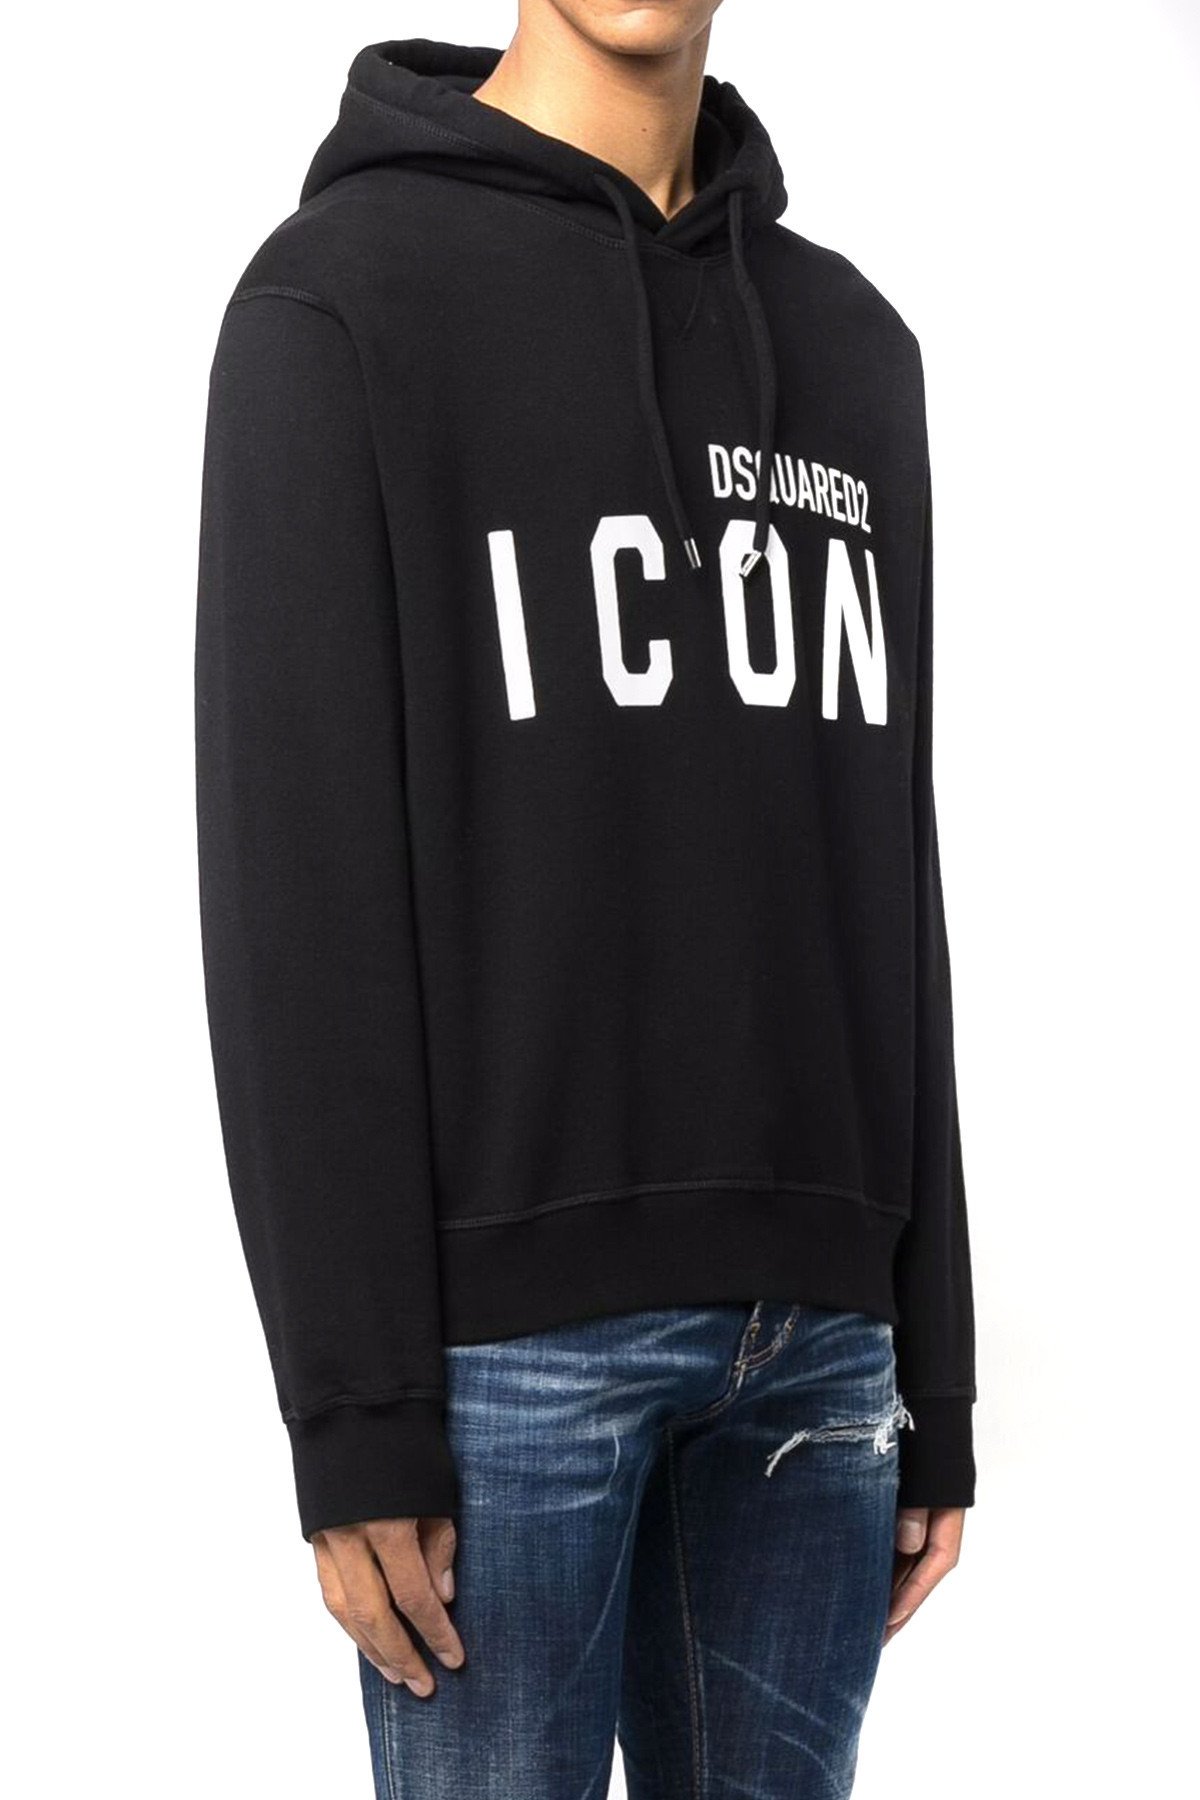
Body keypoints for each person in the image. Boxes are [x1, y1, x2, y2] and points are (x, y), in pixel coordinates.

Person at [194, 6, 977, 1794]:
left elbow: (887, 846)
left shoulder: (856, 347)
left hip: (822, 1345)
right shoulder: (341, 301)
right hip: (501, 1359)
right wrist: (356, 1405)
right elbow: (293, 878)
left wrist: (929, 1352)